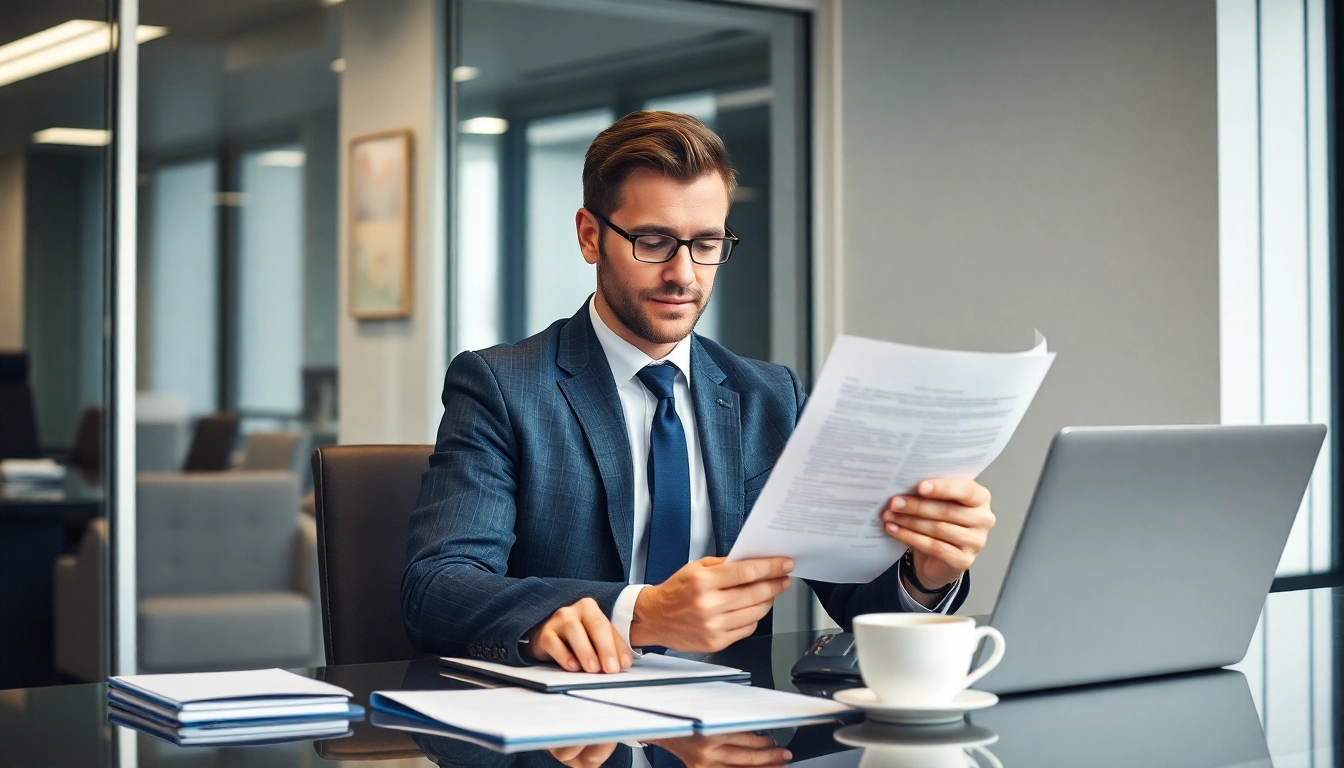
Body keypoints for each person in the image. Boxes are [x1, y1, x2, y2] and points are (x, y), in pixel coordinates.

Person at [402, 111, 996, 673]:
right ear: (590, 237)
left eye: (706, 244)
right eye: (654, 241)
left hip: (735, 728)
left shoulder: (771, 397)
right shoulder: (503, 386)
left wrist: (926, 574)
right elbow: (436, 588)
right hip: (571, 733)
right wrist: (640, 613)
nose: (683, 274)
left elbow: (858, 602)